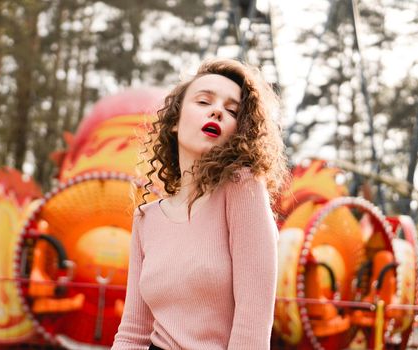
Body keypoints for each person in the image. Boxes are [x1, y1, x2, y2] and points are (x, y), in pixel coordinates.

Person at [112, 58, 288, 350]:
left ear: (239, 130)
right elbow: (132, 333)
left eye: (231, 110)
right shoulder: (147, 217)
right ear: (174, 123)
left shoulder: (243, 189)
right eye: (204, 101)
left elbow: (252, 328)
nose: (218, 111)